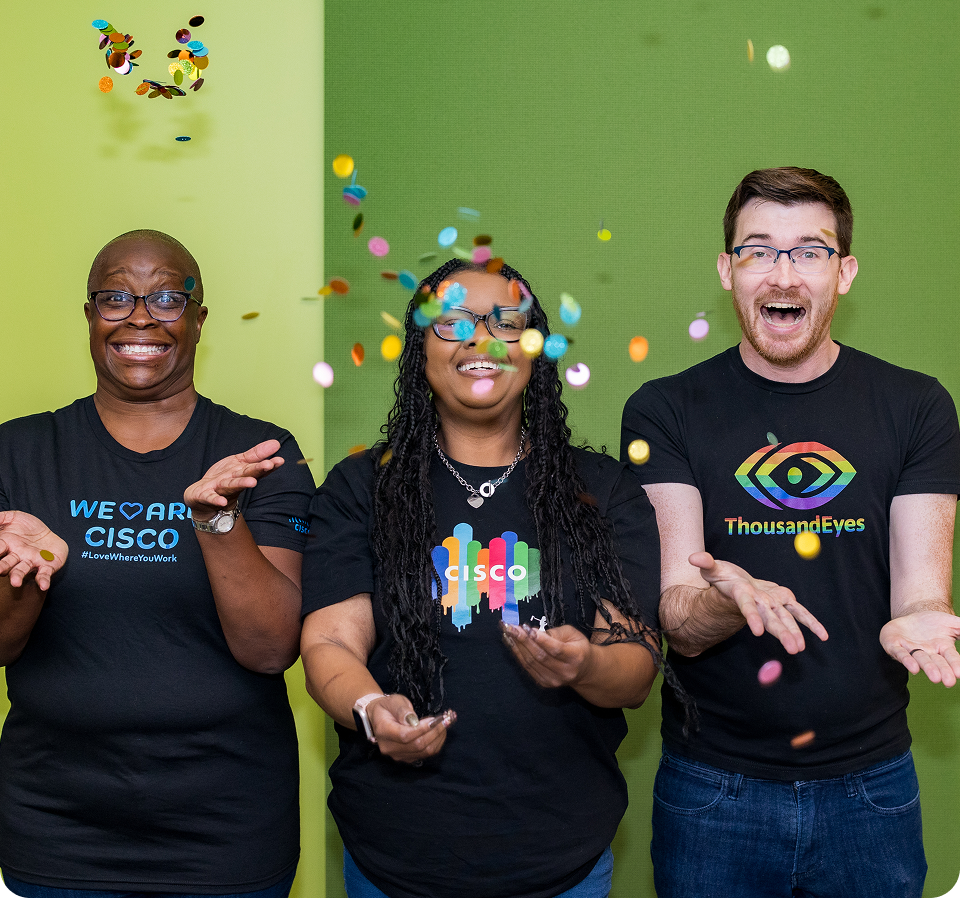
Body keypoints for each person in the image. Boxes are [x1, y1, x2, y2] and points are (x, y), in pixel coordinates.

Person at [620, 166, 960, 898]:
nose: (784, 271)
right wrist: (731, 599)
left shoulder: (918, 407)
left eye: (809, 250)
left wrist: (923, 619)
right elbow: (677, 612)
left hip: (872, 790)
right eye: (758, 249)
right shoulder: (664, 410)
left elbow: (921, 591)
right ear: (727, 270)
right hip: (713, 793)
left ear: (844, 272)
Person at [300, 258, 670, 898]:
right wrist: (370, 709)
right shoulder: (362, 489)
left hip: (562, 861)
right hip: (395, 860)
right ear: (420, 352)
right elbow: (330, 643)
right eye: (452, 324)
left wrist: (584, 666)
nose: (480, 339)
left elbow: (635, 665)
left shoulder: (600, 491)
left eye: (506, 321)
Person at [0, 230, 314, 898]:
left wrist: (218, 523)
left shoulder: (257, 454)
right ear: (89, 316)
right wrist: (24, 572)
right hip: (56, 829)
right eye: (115, 296)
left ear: (199, 319)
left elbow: (270, 648)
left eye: (168, 297)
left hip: (226, 832)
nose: (140, 315)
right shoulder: (17, 452)